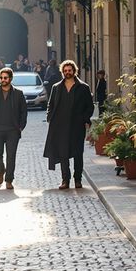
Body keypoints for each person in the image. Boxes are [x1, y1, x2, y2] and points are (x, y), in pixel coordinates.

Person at [44, 60, 94, 190]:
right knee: (63, 153)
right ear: (62, 72)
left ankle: (78, 179)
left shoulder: (83, 87)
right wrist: (50, 118)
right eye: (65, 71)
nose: (67, 73)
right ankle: (65, 180)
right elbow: (51, 104)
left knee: (78, 153)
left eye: (69, 70)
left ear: (74, 71)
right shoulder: (57, 87)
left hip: (77, 126)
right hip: (60, 126)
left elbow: (90, 106)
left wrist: (84, 119)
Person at [0, 68, 27, 191]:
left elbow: (24, 111)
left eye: (5, 78)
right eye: (1, 78)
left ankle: (9, 180)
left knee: (11, 156)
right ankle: (1, 171)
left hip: (13, 130)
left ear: (11, 79)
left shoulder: (18, 93)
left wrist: (20, 126)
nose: (3, 80)